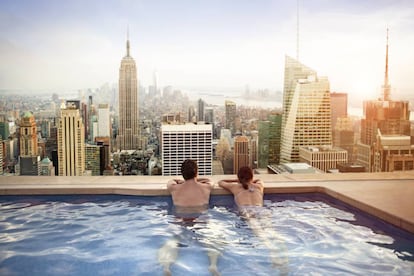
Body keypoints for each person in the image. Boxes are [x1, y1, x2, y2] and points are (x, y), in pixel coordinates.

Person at [219, 166, 289, 275]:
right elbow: (260, 180)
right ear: (252, 177)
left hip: (248, 212)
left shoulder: (235, 187)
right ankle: (284, 258)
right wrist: (250, 181)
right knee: (273, 232)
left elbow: (221, 182)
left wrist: (238, 181)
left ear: (239, 178)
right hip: (261, 210)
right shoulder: (259, 186)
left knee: (260, 233)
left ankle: (272, 254)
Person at [158, 159, 220, 276]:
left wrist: (180, 181)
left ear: (182, 174)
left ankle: (167, 267)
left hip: (180, 221)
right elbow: (211, 182)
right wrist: (197, 180)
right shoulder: (205, 188)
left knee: (172, 242)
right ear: (196, 172)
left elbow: (170, 181)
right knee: (213, 242)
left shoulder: (175, 188)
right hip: (200, 221)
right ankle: (213, 264)